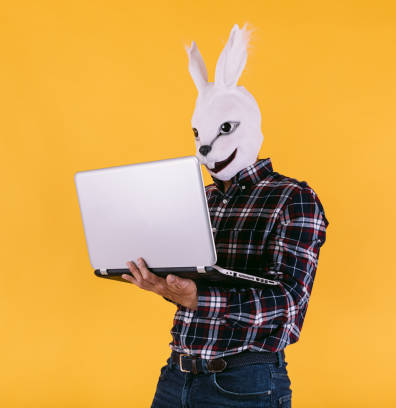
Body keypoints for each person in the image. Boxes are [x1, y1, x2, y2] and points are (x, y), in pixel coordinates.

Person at [121, 23, 329, 408]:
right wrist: (162, 284)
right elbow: (194, 288)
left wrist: (198, 297)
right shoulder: (200, 198)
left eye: (222, 130)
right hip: (175, 375)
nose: (206, 149)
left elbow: (288, 305)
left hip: (245, 383)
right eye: (199, 134)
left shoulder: (293, 198)